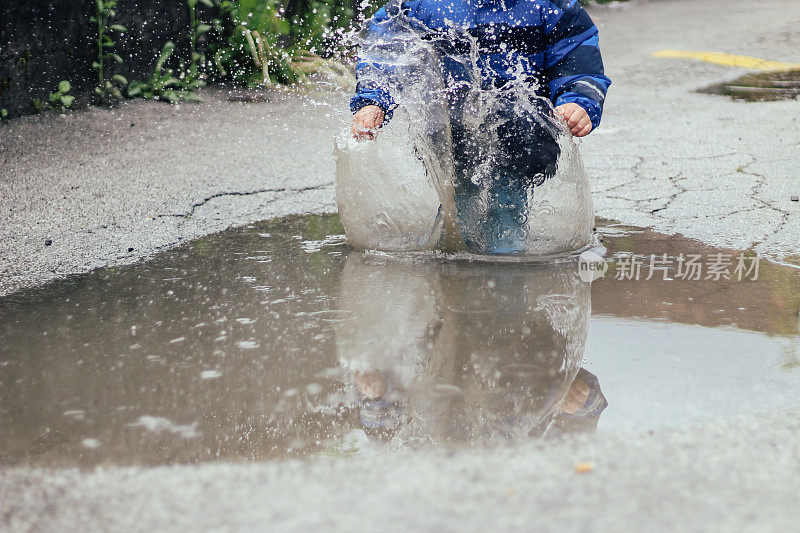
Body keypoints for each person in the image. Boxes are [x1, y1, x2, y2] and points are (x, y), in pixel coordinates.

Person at [349, 0, 611, 254]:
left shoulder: (552, 5)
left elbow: (577, 58)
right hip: (450, 119)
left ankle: (507, 209)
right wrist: (374, 99)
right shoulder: (423, 4)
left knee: (522, 136)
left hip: (524, 123)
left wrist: (577, 102)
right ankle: (458, 211)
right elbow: (384, 48)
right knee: (456, 167)